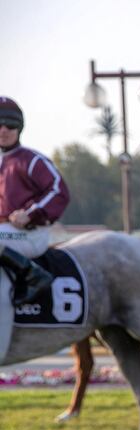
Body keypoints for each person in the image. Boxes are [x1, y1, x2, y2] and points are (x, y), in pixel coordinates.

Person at [0, 96, 69, 305]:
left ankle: (33, 275)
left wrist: (29, 214)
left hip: (30, 234)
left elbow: (60, 192)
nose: (3, 130)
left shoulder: (31, 160)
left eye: (10, 125)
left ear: (19, 128)